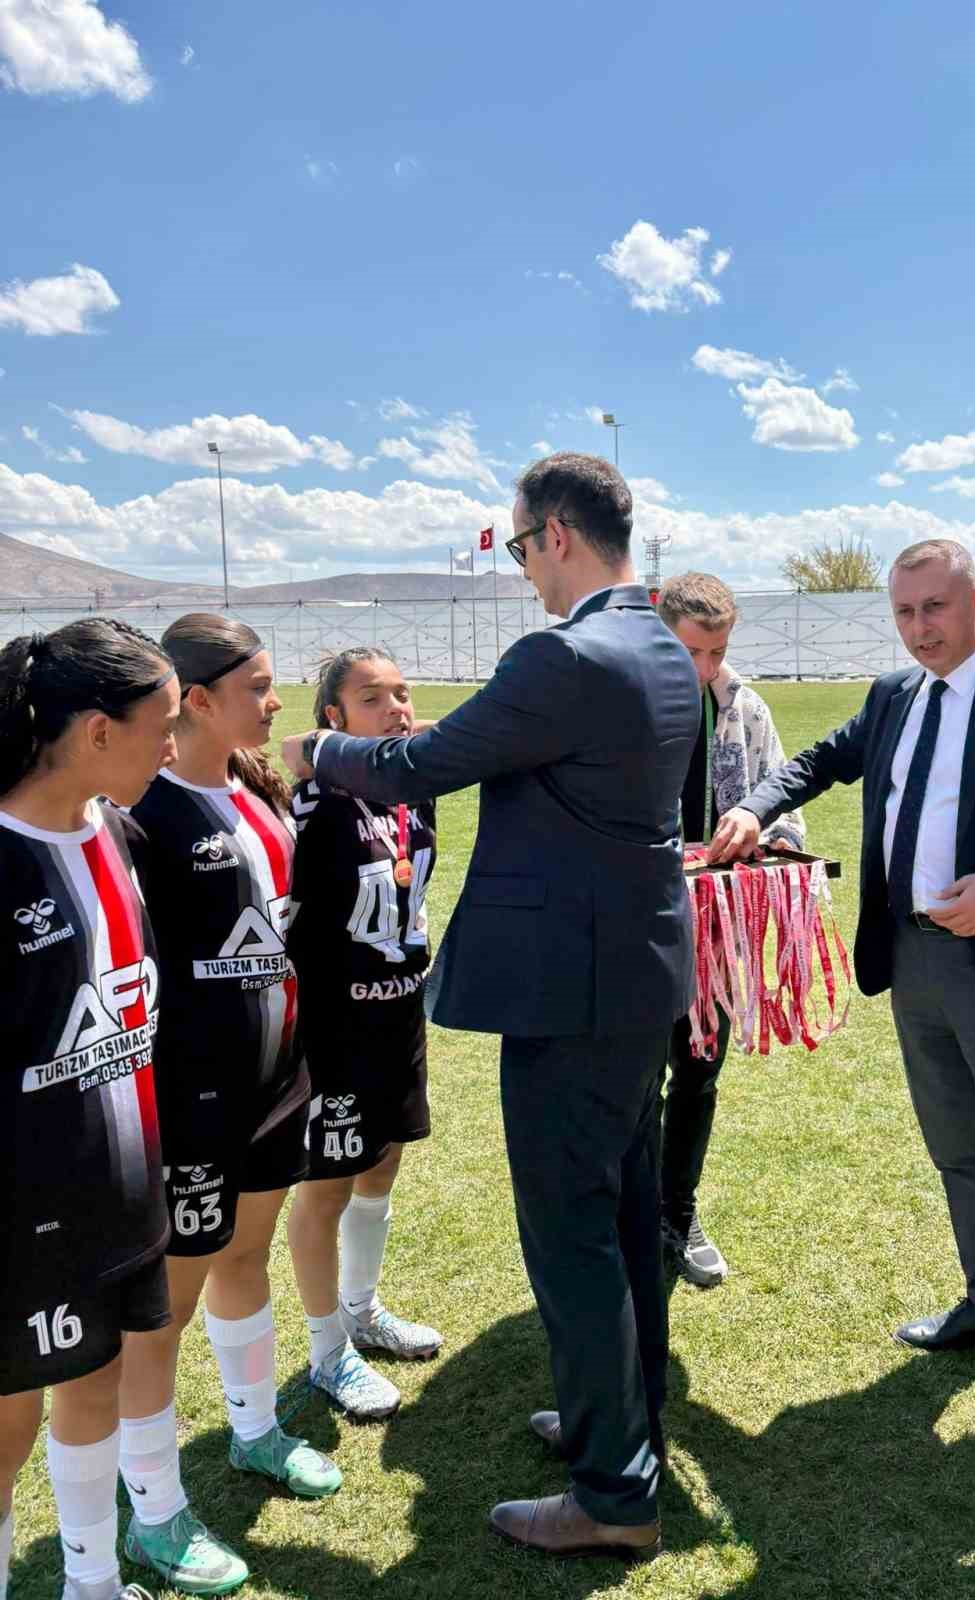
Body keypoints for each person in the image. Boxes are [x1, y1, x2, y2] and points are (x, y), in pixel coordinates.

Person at [282, 453, 698, 1562]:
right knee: (618, 1215)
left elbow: (424, 760)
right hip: (633, 978)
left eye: (519, 547)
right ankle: (623, 1426)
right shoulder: (657, 639)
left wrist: (318, 748)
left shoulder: (565, 655)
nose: (520, 570)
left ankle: (615, 1493)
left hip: (573, 989)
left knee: (572, 1232)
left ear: (557, 534)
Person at [709, 538, 975, 1473]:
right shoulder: (892, 697)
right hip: (910, 961)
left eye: (934, 609)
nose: (918, 630)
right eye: (904, 614)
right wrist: (759, 803)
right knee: (956, 1152)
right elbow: (823, 759)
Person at [116, 616, 341, 1600]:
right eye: (256, 685)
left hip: (275, 1078)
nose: (275, 700)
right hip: (191, 1097)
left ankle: (255, 1431)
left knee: (247, 1256)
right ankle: (153, 1511)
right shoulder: (142, 813)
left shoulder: (253, 787)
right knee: (165, 1304)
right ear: (195, 700)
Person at [0, 619, 180, 1600]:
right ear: (97, 731)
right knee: (6, 1424)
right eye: (162, 721)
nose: (174, 740)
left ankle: (93, 1583)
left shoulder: (114, 827)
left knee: (97, 1380)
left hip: (124, 1191)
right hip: (23, 1216)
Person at [287, 646, 444, 1424]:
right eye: (372, 698)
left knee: (382, 1164)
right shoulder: (315, 800)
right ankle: (326, 1353)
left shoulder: (412, 795)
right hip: (334, 1025)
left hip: (399, 1011)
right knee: (327, 1185)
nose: (396, 709)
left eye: (403, 695)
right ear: (334, 719)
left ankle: (360, 1310)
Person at [654, 572, 806, 1287]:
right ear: (659, 626)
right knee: (626, 1085)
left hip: (714, 932)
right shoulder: (622, 706)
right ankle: (631, 1217)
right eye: (692, 651)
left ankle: (678, 1215)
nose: (707, 668)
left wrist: (763, 838)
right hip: (634, 933)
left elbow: (786, 810)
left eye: (718, 651)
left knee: (697, 1077)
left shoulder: (745, 707)